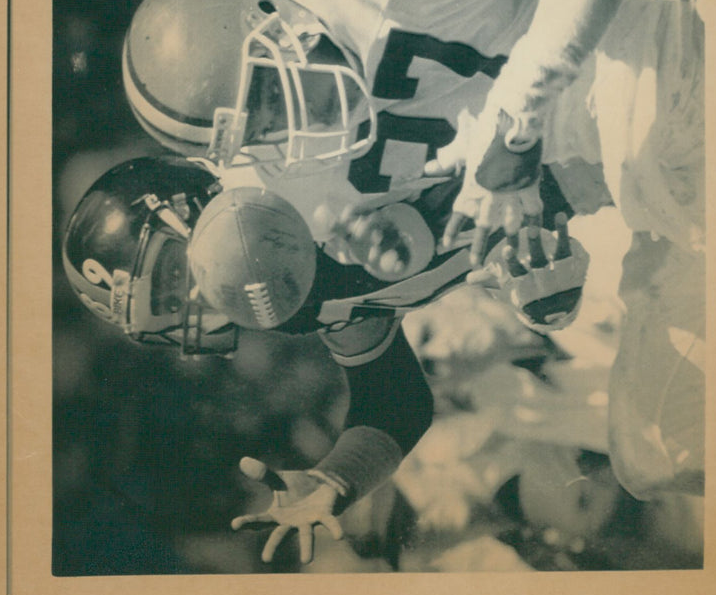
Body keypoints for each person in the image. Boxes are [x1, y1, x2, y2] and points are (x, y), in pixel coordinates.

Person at [118, 0, 705, 540]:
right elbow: (391, 396)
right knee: (661, 452)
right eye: (256, 131)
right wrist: (338, 479)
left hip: (662, 58)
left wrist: (511, 136)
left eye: (269, 91)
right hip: (630, 197)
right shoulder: (284, 233)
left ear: (263, 8)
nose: (289, 122)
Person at [62, 154, 589, 565]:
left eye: (175, 277)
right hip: (577, 227)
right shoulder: (288, 302)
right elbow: (392, 399)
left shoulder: (288, 169)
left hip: (578, 159)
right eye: (172, 307)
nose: (197, 300)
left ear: (184, 202)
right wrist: (335, 478)